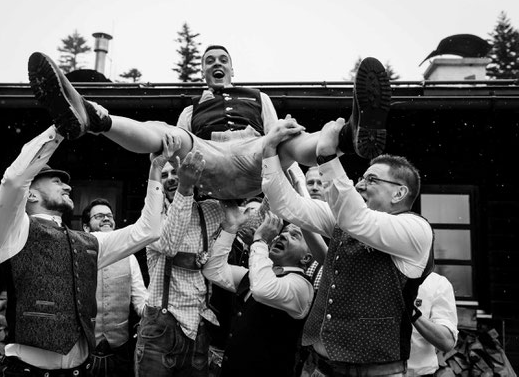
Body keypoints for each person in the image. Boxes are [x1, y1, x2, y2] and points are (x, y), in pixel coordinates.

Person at [27, 50, 390, 200]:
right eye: (210, 61)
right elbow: (175, 155)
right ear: (203, 71)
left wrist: (291, 177)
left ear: (232, 69)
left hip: (255, 158)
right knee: (166, 132)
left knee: (288, 138)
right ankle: (93, 117)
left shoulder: (256, 96)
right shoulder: (192, 109)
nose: (217, 64)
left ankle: (349, 136)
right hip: (210, 164)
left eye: (223, 60)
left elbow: (274, 135)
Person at [261, 109, 434, 374]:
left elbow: (358, 221)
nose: (361, 184)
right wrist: (270, 151)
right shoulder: (345, 218)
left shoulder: (415, 229)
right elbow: (288, 206)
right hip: (320, 365)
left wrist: (328, 156)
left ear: (399, 192)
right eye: (363, 178)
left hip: (376, 371)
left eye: (372, 179)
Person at [0, 124, 167, 376]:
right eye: (57, 181)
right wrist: (61, 129)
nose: (68, 186)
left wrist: (156, 170)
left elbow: (148, 231)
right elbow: (13, 180)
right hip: (26, 371)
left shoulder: (88, 243)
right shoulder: (13, 229)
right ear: (30, 194)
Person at [135, 151, 225, 377]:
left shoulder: (210, 210)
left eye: (176, 172)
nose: (171, 178)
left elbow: (250, 221)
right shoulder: (151, 217)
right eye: (164, 175)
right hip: (160, 329)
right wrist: (185, 188)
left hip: (198, 328)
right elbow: (169, 244)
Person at [202, 209, 314, 377]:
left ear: (306, 258)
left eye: (294, 236)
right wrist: (230, 229)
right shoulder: (258, 275)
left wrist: (260, 240)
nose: (282, 236)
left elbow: (262, 290)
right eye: (283, 232)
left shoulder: (301, 286)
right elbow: (213, 270)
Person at [81, 198, 148, 377]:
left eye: (109, 216)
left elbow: (141, 300)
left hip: (120, 351)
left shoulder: (129, 257)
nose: (106, 219)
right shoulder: (77, 257)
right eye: (99, 216)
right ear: (86, 227)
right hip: (83, 351)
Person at [408, 272, 458, 377]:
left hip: (418, 374)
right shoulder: (369, 279)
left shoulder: (437, 283)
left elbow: (447, 342)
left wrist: (412, 313)